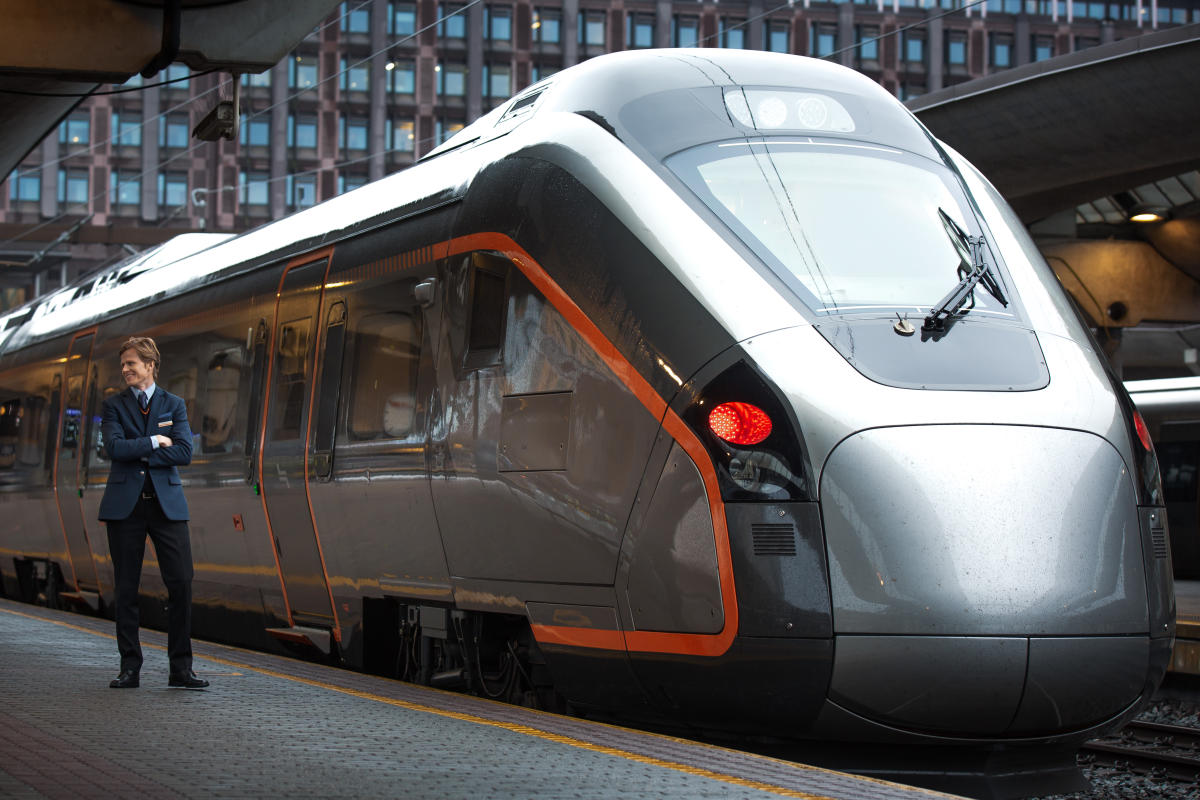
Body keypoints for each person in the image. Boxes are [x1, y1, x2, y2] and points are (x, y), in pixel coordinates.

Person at [99, 336, 208, 689]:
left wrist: (141, 452)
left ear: (150, 365)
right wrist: (153, 442)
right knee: (126, 589)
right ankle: (130, 667)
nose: (125, 370)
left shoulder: (173, 404)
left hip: (167, 507)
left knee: (181, 583)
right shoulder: (113, 406)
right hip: (124, 509)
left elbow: (184, 452)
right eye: (123, 365)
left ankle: (181, 668)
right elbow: (114, 448)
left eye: (131, 363)